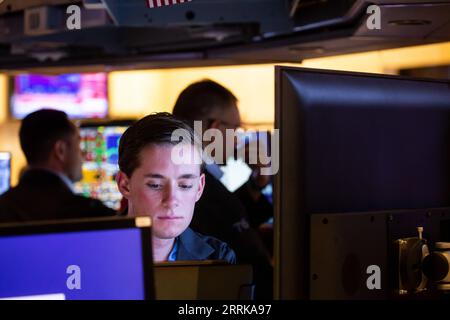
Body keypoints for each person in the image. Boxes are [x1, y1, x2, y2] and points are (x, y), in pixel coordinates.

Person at [172, 79, 273, 299]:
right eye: (236, 128)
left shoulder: (194, 181)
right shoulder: (191, 187)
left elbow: (228, 223)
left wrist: (257, 184)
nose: (238, 138)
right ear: (215, 129)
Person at [116, 112, 236, 263]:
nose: (172, 200)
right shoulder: (86, 254)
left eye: (185, 185)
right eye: (156, 185)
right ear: (125, 185)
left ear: (199, 188)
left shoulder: (219, 259)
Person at [0, 109, 117, 223]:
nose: (84, 155)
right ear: (60, 150)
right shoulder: (90, 215)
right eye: (78, 145)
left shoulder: (4, 207)